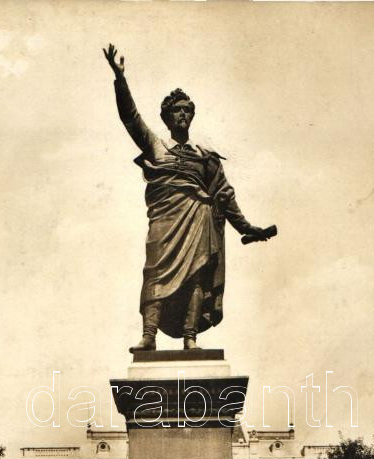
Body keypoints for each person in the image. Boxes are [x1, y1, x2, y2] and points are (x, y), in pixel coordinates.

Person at [103, 44, 275, 352]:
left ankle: (190, 336)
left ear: (192, 116)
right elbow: (130, 118)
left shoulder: (206, 157)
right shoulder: (157, 147)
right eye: (177, 110)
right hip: (165, 220)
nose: (182, 114)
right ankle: (149, 336)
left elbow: (224, 195)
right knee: (155, 271)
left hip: (198, 219)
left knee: (197, 277)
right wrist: (120, 78)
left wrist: (248, 228)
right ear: (166, 117)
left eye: (187, 110)